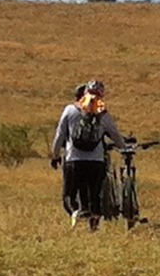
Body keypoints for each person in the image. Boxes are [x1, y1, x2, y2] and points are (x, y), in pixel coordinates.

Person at [50, 79, 125, 231]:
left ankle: (75, 212)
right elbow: (115, 136)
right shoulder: (103, 115)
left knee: (69, 195)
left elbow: (59, 135)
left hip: (74, 160)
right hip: (96, 162)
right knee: (95, 196)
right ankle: (93, 228)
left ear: (84, 93)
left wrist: (55, 155)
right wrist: (124, 148)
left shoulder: (70, 110)